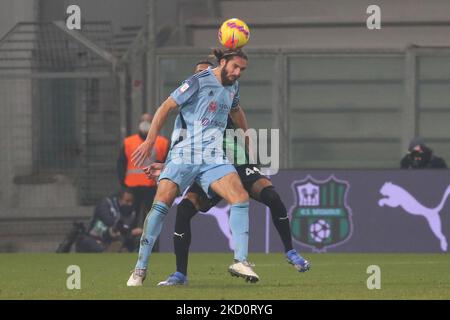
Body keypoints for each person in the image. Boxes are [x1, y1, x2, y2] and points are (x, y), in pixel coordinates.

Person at [154, 62, 310, 286]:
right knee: (184, 210)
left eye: (205, 72)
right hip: (209, 168)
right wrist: (165, 165)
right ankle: (180, 274)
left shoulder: (225, 96)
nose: (200, 77)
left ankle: (290, 252)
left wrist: (246, 139)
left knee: (272, 197)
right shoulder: (188, 115)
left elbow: (238, 111)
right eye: (197, 73)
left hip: (236, 161)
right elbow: (179, 146)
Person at [127, 48, 259, 286]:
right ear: (223, 62)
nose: (238, 73)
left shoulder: (233, 87)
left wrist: (246, 137)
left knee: (240, 197)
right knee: (161, 205)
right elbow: (166, 106)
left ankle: (241, 260)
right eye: (235, 67)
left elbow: (237, 110)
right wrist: (150, 140)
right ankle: (140, 268)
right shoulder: (198, 81)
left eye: (242, 69)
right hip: (185, 154)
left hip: (213, 156)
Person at [117, 113, 169, 250]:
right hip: (132, 188)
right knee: (130, 218)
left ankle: (153, 246)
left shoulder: (162, 142)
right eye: (143, 121)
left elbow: (167, 163)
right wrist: (124, 185)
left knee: (152, 217)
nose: (145, 123)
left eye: (149, 121)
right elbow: (121, 165)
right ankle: (127, 246)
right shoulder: (129, 142)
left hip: (152, 187)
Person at [75, 189, 143, 252]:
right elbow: (109, 221)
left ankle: (118, 250)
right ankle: (110, 250)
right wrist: (129, 232)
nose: (130, 204)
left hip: (112, 240)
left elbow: (125, 228)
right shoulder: (105, 204)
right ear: (119, 199)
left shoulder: (131, 212)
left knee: (126, 241)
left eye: (131, 202)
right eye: (127, 201)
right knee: (87, 241)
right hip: (94, 238)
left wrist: (130, 233)